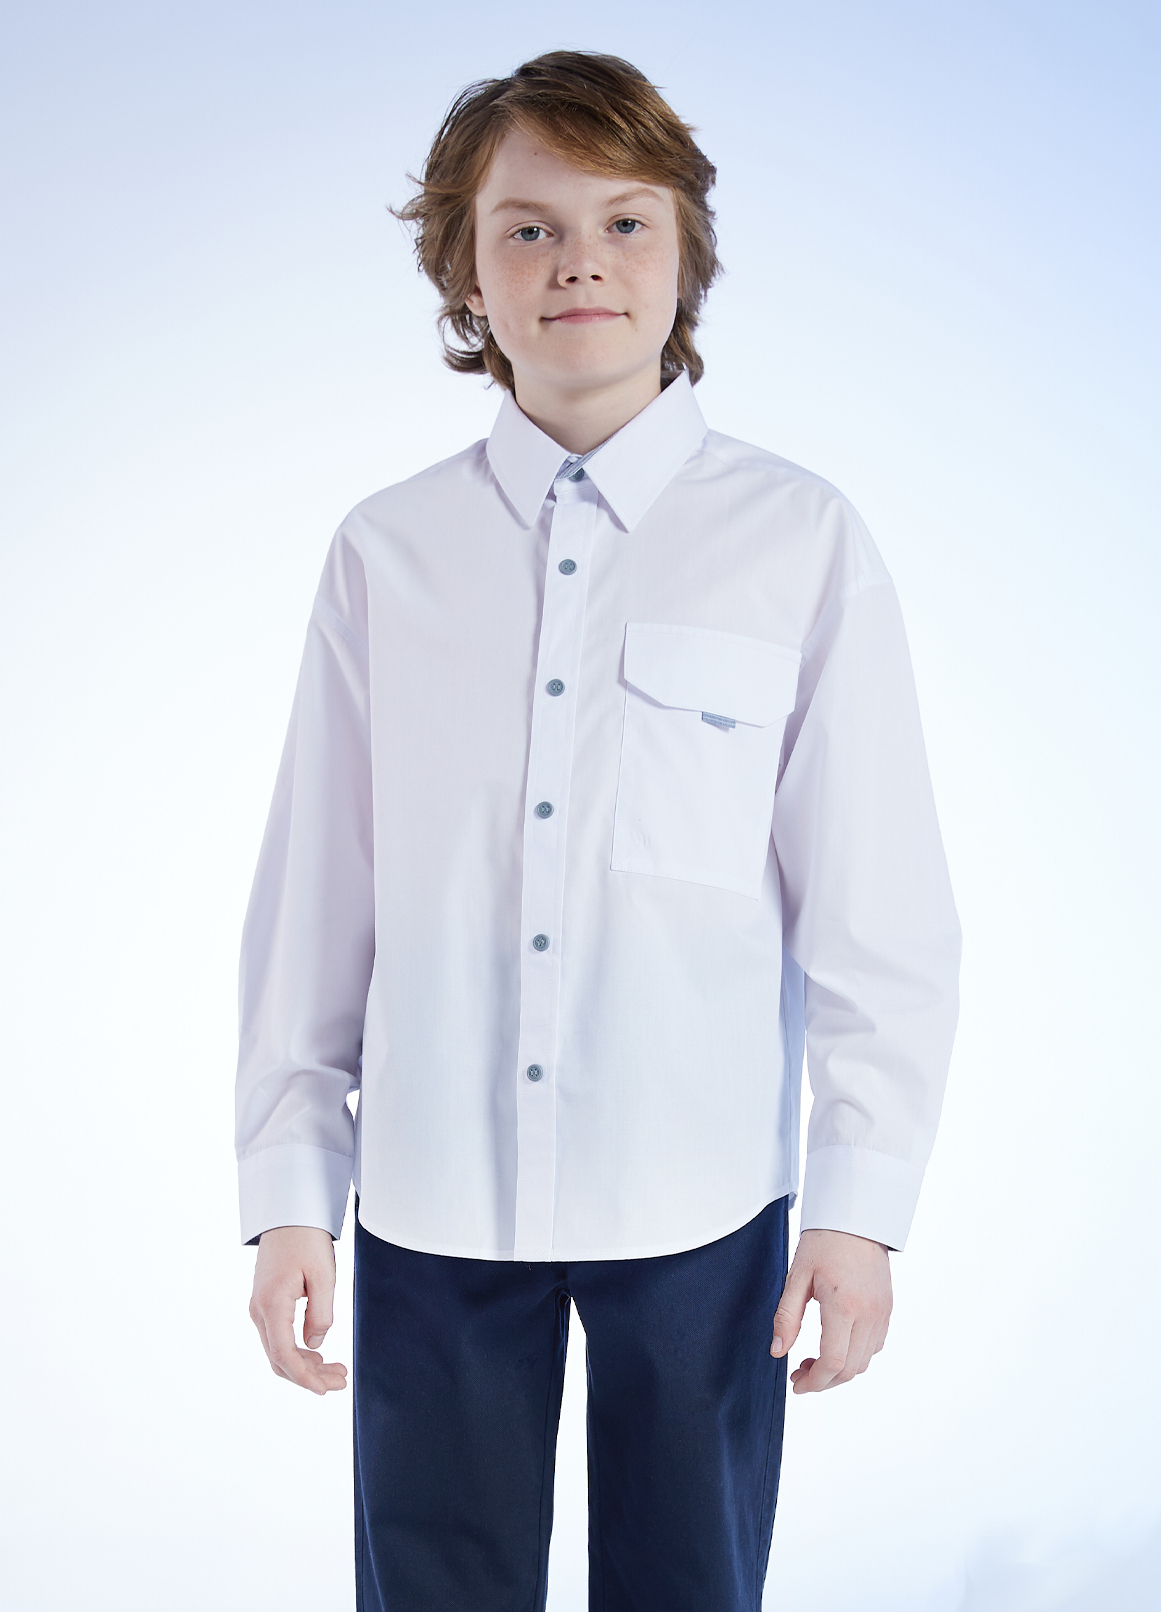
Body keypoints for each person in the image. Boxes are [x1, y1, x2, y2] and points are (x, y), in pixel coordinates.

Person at [237, 49, 960, 1612]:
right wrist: (292, 1185)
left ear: (686, 254)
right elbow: (316, 902)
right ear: (464, 274)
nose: (580, 262)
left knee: (688, 1585)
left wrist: (857, 1204)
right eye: (528, 228)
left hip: (700, 1200)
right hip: (431, 1196)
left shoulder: (798, 540)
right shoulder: (385, 554)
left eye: (626, 222)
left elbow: (876, 905)